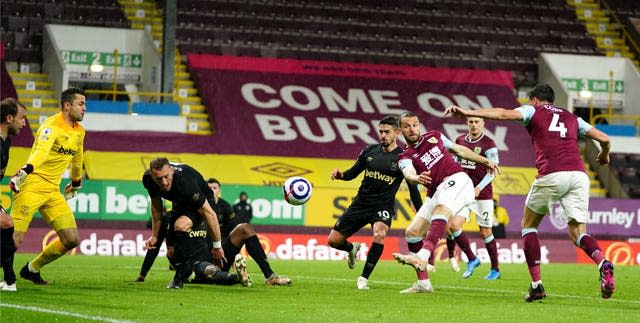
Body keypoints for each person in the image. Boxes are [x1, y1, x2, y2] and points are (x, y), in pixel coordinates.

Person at [445, 83, 615, 301]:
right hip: (579, 176)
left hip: (552, 174)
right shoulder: (572, 117)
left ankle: (537, 286)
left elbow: (503, 114)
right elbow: (605, 139)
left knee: (528, 226)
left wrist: (466, 112)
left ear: (534, 100)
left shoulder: (534, 110)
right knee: (578, 233)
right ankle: (603, 262)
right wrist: (604, 155)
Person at [392, 111, 498, 293]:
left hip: (458, 180)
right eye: (407, 126)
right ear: (400, 131)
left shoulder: (434, 136)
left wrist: (484, 160)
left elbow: (459, 150)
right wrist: (417, 178)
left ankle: (422, 256)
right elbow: (408, 174)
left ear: (419, 125)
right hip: (437, 191)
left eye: (415, 124)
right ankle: (424, 284)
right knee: (412, 232)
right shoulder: (404, 156)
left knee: (441, 211)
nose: (412, 129)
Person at [328, 116, 423, 290]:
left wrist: (421, 214)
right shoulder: (369, 151)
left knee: (379, 234)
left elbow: (413, 190)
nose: (383, 135)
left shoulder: (403, 158)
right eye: (381, 131)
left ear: (397, 132)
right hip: (360, 204)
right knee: (333, 241)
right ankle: (351, 249)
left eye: (387, 132)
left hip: (383, 206)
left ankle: (363, 278)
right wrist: (341, 175)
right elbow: (352, 173)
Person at [8, 88, 86, 285]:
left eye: (85, 104)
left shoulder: (79, 131)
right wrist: (26, 170)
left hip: (53, 190)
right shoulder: (51, 126)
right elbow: (41, 152)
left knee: (71, 239)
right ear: (67, 106)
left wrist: (76, 183)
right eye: (80, 104)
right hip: (32, 185)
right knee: (14, 240)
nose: (84, 109)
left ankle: (32, 269)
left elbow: (78, 159)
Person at [142, 157, 226, 289]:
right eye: (159, 179)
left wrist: (217, 246)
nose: (164, 182)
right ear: (152, 176)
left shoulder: (186, 181)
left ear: (172, 171)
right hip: (180, 203)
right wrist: (154, 236)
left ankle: (180, 277)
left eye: (166, 177)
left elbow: (210, 214)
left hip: (204, 201)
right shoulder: (148, 179)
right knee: (171, 252)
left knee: (180, 226)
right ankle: (186, 268)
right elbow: (157, 207)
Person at [207, 178, 291, 286]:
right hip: (202, 255)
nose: (212, 190)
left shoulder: (226, 207)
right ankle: (237, 277)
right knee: (210, 274)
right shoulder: (198, 206)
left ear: (219, 190)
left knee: (245, 228)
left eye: (214, 188)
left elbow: (232, 232)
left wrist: (231, 254)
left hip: (220, 254)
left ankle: (270, 277)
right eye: (209, 188)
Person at [449, 116, 502, 280]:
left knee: (485, 231)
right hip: (464, 191)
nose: (473, 125)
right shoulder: (459, 140)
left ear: (483, 124)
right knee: (453, 225)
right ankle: (472, 258)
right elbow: (454, 161)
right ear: (467, 123)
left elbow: (493, 169)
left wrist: (479, 187)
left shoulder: (489, 144)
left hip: (482, 195)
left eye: (476, 122)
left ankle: (495, 269)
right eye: (470, 122)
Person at [0, 98, 27, 292]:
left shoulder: (6, 142)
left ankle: (9, 281)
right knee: (7, 223)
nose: (24, 123)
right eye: (22, 118)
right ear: (9, 118)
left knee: (7, 225)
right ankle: (10, 280)